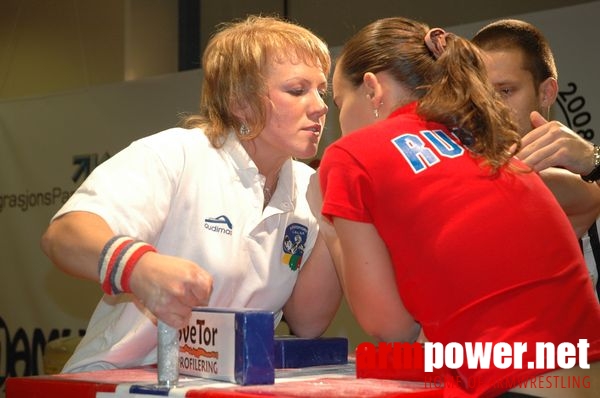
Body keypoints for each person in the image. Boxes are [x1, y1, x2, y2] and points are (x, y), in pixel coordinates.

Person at [40, 15, 342, 372]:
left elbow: (308, 322)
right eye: (297, 90)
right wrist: (140, 267)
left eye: (321, 90)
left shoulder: (309, 188)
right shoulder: (177, 155)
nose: (321, 106)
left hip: (223, 384)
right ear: (240, 102)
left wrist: (333, 209)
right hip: (120, 380)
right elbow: (63, 235)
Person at [318, 16, 600, 397]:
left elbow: (392, 328)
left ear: (371, 90)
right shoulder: (486, 140)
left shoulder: (351, 155)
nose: (338, 121)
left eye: (338, 103)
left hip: (517, 386)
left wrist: (330, 224)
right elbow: (585, 202)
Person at [472, 19, 600, 298]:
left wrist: (595, 161)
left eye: (505, 91)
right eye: (479, 94)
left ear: (546, 93)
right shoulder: (457, 188)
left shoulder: (589, 169)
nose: (490, 107)